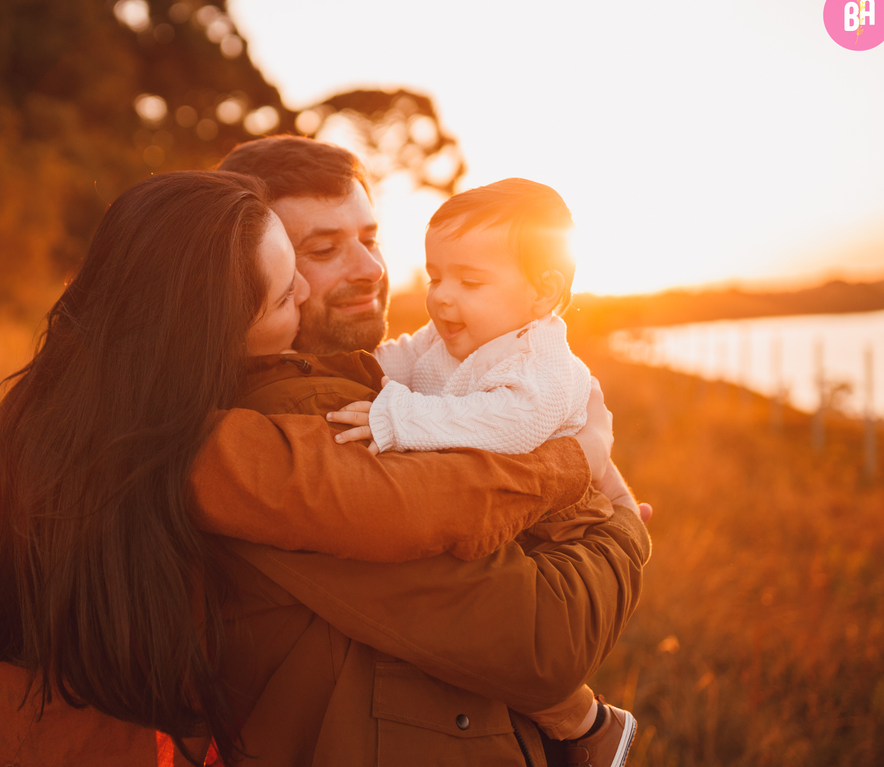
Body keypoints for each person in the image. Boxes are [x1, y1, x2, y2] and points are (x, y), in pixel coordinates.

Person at [0, 169, 648, 767]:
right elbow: (432, 525)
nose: (340, 279)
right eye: (295, 276)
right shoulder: (224, 449)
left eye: (370, 238)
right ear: (213, 322)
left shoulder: (80, 405)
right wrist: (582, 467)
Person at [232, 171, 637, 765]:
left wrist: (398, 416)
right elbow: (391, 362)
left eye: (469, 280)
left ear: (542, 292)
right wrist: (364, 380)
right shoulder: (447, 340)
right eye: (438, 276)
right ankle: (580, 727)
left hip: (557, 517)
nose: (442, 296)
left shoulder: (539, 361)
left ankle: (580, 730)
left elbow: (511, 425)